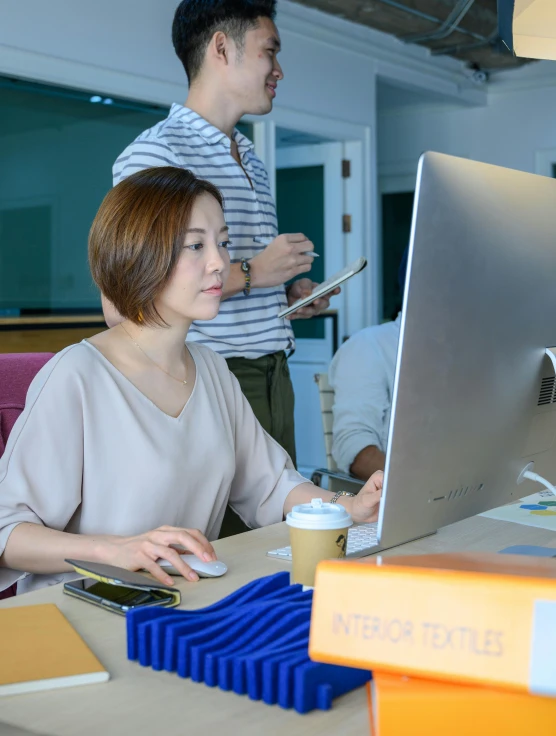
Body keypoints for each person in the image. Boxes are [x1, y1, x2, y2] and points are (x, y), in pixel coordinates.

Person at [0, 167, 382, 595]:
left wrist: (351, 505)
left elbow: (272, 485)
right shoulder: (76, 376)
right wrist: (118, 550)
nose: (220, 263)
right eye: (196, 246)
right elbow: (8, 533)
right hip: (82, 609)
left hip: (180, 602)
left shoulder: (213, 369)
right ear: (139, 254)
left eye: (221, 242)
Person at [109, 0, 339, 475]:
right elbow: (127, 301)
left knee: (275, 534)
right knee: (223, 542)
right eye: (269, 51)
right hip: (209, 374)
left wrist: (285, 291)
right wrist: (256, 273)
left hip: (275, 371)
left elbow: (225, 275)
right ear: (221, 48)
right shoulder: (157, 153)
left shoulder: (251, 159)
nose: (279, 70)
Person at [329, 249, 408, 480]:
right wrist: (426, 483)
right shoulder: (370, 346)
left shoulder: (473, 355)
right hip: (415, 500)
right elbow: (355, 451)